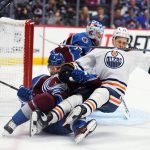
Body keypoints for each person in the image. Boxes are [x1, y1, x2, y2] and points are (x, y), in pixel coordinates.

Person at [35, 27, 150, 143]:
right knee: (76, 98)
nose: (121, 45)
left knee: (100, 93)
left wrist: (137, 53)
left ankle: (80, 112)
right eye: (119, 42)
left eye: (124, 43)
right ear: (113, 40)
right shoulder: (100, 50)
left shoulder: (134, 54)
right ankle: (47, 119)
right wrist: (68, 68)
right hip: (96, 86)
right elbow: (81, 63)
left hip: (111, 92)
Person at [3, 50, 97, 141]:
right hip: (47, 120)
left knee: (77, 108)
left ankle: (80, 129)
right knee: (46, 98)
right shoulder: (41, 79)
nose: (55, 71)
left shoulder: (70, 79)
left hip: (63, 123)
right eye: (52, 68)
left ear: (63, 68)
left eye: (58, 68)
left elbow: (94, 84)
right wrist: (23, 96)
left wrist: (84, 76)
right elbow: (26, 101)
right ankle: (14, 122)